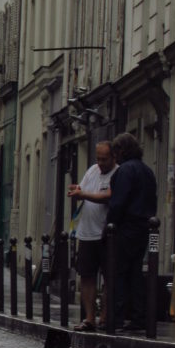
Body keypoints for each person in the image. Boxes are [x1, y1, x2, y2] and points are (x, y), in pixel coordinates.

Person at [105, 132, 157, 331]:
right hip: (144, 227)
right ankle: (139, 316)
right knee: (135, 273)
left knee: (118, 272)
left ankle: (116, 318)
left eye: (115, 152)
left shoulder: (126, 170)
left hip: (127, 227)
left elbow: (118, 202)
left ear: (121, 151)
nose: (114, 157)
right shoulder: (147, 171)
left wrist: (110, 226)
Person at [67, 140, 117, 331]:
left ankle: (104, 316)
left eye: (104, 159)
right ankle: (89, 317)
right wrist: (77, 190)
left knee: (108, 277)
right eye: (98, 158)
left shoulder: (118, 173)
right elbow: (83, 189)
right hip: (87, 232)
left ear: (114, 157)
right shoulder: (92, 170)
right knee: (87, 276)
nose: (101, 163)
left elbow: (109, 197)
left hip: (106, 234)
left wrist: (84, 195)